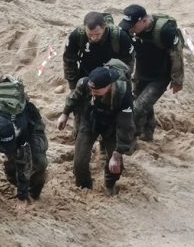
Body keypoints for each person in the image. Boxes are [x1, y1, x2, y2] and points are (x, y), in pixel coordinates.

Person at [57, 63, 135, 194]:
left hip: (112, 126)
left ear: (109, 86)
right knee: (79, 162)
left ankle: (110, 185)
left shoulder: (123, 94)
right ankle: (84, 187)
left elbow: (126, 126)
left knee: (116, 164)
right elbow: (73, 98)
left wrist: (117, 153)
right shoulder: (85, 83)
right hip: (90, 121)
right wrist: (64, 114)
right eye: (91, 90)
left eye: (97, 91)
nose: (93, 94)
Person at [119, 4, 185, 142]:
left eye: (133, 25)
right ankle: (148, 133)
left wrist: (177, 79)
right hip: (141, 72)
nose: (130, 29)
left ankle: (131, 140)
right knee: (140, 103)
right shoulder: (129, 30)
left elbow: (176, 54)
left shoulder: (165, 31)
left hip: (160, 76)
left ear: (144, 20)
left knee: (138, 108)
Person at [62, 11, 134, 90]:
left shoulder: (119, 36)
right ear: (84, 27)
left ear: (105, 27)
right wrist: (73, 85)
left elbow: (127, 63)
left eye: (97, 34)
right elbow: (69, 60)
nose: (93, 38)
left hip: (111, 76)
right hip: (87, 74)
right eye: (90, 34)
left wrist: (119, 82)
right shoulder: (78, 35)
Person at [0, 102, 48, 202]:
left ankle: (34, 193)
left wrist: (22, 195)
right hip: (6, 129)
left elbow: (24, 161)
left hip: (31, 125)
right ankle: (18, 185)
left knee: (39, 162)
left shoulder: (21, 130)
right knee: (11, 163)